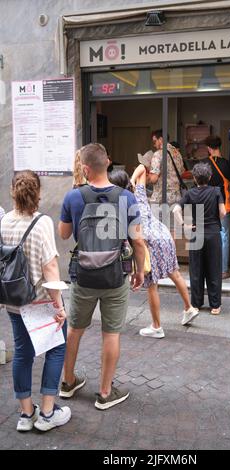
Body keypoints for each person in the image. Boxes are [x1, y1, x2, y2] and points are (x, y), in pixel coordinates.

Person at [58, 143, 145, 410]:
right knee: (111, 333)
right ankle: (105, 393)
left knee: (75, 329)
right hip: (114, 276)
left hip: (83, 275)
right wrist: (140, 271)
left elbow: (63, 234)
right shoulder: (127, 197)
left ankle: (68, 382)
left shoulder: (73, 197)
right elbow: (138, 241)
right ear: (107, 162)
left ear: (84, 168)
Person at [0, 170, 70, 432]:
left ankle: (26, 414)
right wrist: (60, 306)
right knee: (56, 348)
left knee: (22, 353)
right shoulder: (42, 223)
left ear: (13, 191)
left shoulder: (4, 221)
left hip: (14, 300)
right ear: (38, 192)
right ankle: (48, 413)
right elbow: (50, 269)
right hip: (40, 301)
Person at [110, 165, 199, 339]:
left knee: (151, 285)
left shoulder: (121, 204)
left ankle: (157, 327)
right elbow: (142, 168)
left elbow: (134, 237)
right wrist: (133, 179)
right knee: (175, 273)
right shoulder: (138, 193)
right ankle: (189, 308)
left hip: (150, 242)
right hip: (164, 235)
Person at [174, 163, 226, 315]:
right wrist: (215, 219)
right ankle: (215, 305)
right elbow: (222, 212)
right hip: (213, 233)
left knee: (196, 270)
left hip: (196, 234)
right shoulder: (216, 191)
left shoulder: (190, 193)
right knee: (214, 269)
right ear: (209, 177)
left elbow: (176, 209)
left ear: (195, 179)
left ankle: (196, 304)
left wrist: (184, 225)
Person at [203, 135, 230, 279]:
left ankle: (207, 269)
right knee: (223, 237)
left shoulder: (204, 164)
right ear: (219, 146)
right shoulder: (227, 164)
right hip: (224, 206)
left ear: (209, 148)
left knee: (207, 236)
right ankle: (223, 271)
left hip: (207, 206)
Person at [149, 129, 185, 205]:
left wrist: (148, 174)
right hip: (177, 197)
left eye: (154, 141)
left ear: (161, 140)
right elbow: (182, 172)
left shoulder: (158, 154)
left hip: (162, 198)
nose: (154, 145)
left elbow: (153, 179)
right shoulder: (177, 153)